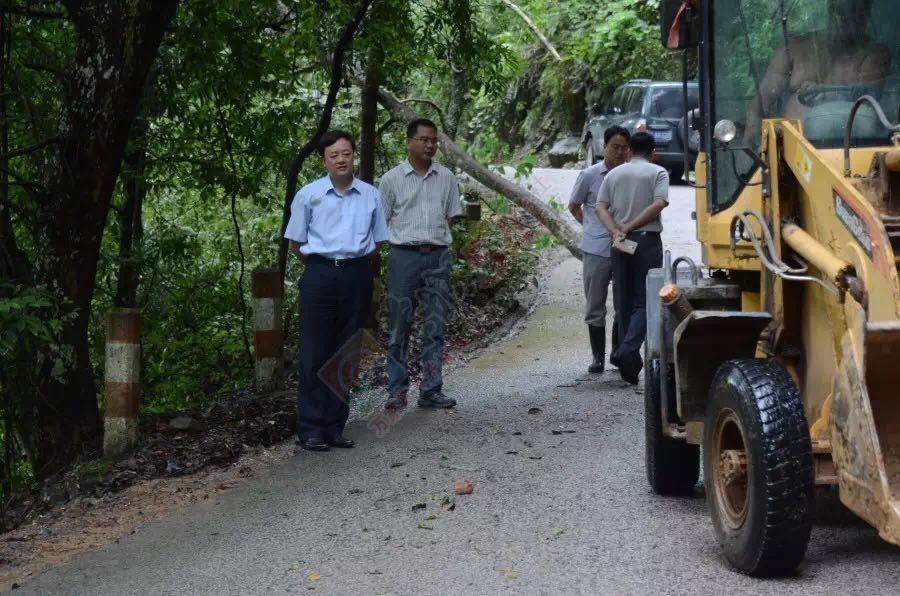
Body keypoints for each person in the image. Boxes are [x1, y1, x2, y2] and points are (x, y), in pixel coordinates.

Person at [284, 130, 389, 451]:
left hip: (357, 275)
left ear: (353, 156)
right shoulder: (309, 195)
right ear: (324, 160)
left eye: (346, 153)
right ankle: (311, 428)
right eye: (334, 155)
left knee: (347, 352)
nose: (341, 160)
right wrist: (324, 267)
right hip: (319, 275)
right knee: (314, 353)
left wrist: (352, 267)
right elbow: (295, 245)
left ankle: (334, 426)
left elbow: (379, 241)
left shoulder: (370, 195)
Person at [379, 118, 462, 410]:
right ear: (408, 142)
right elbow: (382, 221)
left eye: (433, 141)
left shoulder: (447, 177)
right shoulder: (391, 180)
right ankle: (397, 389)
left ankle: (431, 389)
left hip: (438, 256)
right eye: (424, 140)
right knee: (400, 324)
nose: (430, 145)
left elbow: (450, 215)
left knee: (435, 325)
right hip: (404, 256)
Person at [745, 0, 890, 141]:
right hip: (788, 152)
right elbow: (760, 104)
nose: (849, 18)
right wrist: (753, 127)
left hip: (852, 150)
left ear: (867, 13)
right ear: (831, 9)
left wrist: (826, 94)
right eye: (842, 11)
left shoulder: (874, 54)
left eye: (857, 11)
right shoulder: (793, 49)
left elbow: (866, 99)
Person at [595, 132, 669, 385]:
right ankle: (627, 352)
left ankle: (627, 359)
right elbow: (659, 203)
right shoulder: (658, 172)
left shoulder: (614, 174)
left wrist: (615, 229)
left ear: (629, 150)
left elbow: (600, 206)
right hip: (646, 240)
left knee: (623, 300)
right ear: (652, 151)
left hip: (620, 242)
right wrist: (631, 226)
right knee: (644, 300)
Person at [567, 125, 630, 374]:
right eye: (615, 147)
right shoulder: (589, 175)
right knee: (595, 303)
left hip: (625, 247)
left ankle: (617, 353)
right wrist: (591, 226)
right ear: (604, 147)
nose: (620, 152)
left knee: (623, 302)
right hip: (596, 249)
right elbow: (573, 206)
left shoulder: (630, 176)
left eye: (625, 148)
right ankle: (597, 357)